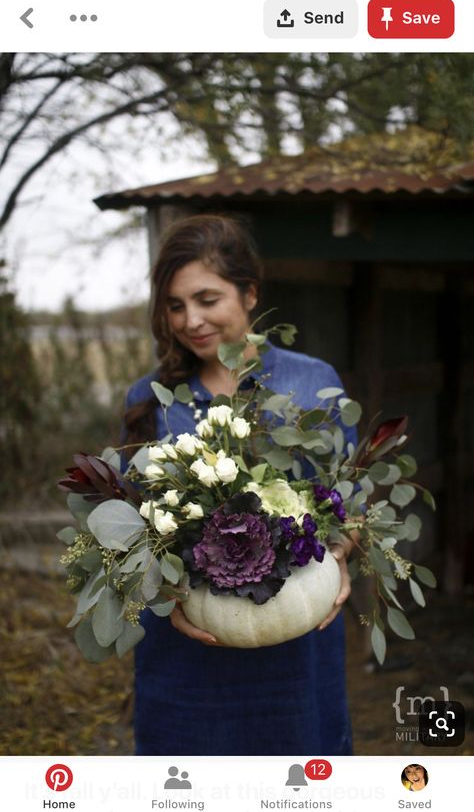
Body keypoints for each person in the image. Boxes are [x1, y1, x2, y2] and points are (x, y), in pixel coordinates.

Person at [122, 213, 358, 756]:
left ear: (250, 294)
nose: (191, 320)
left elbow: (350, 499)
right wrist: (162, 591)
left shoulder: (310, 382)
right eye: (176, 305)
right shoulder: (151, 397)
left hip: (293, 638)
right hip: (188, 651)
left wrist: (342, 554)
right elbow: (131, 531)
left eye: (208, 299)